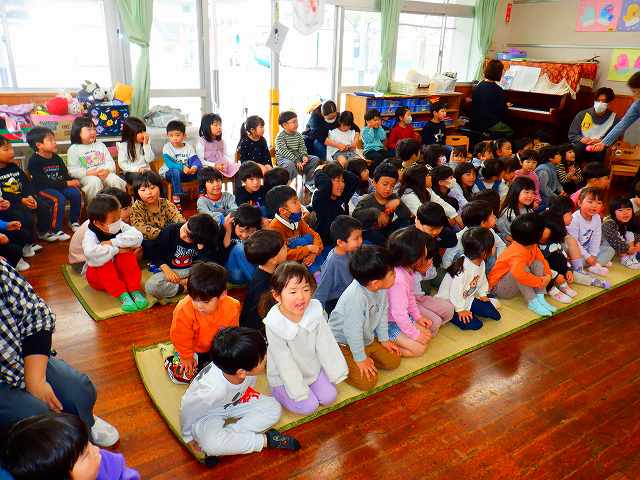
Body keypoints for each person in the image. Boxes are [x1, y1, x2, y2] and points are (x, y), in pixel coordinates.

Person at [0, 261, 119, 446]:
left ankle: (84, 424)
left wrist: (36, 380)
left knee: (78, 390)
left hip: (20, 359)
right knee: (37, 418)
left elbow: (36, 314)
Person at [180, 327, 300, 461]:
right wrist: (188, 436)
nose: (267, 357)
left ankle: (232, 438)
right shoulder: (211, 390)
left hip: (236, 400)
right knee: (211, 445)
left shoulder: (240, 365)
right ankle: (266, 440)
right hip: (209, 413)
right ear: (242, 372)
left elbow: (247, 388)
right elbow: (188, 408)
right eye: (263, 359)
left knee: (274, 408)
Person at [263, 262, 348, 414]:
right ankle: (277, 391)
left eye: (306, 289)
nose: (301, 297)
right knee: (309, 406)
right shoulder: (274, 323)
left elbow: (326, 343)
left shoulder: (314, 310)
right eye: (293, 292)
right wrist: (298, 390)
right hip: (284, 376)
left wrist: (337, 371)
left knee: (329, 397)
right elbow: (284, 362)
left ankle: (310, 385)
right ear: (277, 295)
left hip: (311, 368)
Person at [328, 245, 401, 391]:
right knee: (367, 382)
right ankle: (337, 361)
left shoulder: (381, 288)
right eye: (392, 273)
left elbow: (382, 313)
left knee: (394, 360)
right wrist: (360, 359)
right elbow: (352, 332)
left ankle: (363, 356)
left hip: (365, 338)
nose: (396, 275)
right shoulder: (355, 298)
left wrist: (384, 339)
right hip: (343, 343)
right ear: (375, 283)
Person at [1, 413, 139, 480]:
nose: (97, 449)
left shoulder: (102, 461)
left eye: (88, 444)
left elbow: (124, 474)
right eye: (85, 454)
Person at [166, 262, 241, 384]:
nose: (199, 306)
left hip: (217, 349)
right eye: (194, 299)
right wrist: (186, 356)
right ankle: (171, 361)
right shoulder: (183, 309)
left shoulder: (232, 306)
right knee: (184, 374)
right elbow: (180, 336)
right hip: (192, 349)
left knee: (231, 370)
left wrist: (227, 354)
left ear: (222, 294)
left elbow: (231, 334)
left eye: (205, 302)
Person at [82, 194, 147, 313]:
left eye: (119, 217)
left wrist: (112, 243)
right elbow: (92, 254)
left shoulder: (119, 224)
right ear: (98, 223)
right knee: (103, 260)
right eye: (114, 220)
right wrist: (118, 249)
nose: (119, 221)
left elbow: (138, 237)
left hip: (119, 273)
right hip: (98, 279)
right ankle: (122, 294)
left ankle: (134, 289)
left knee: (126, 255)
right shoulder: (90, 234)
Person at [488, 213, 558, 316]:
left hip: (514, 281)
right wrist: (540, 281)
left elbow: (542, 261)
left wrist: (548, 275)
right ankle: (532, 302)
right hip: (499, 288)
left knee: (537, 263)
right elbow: (520, 275)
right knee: (521, 272)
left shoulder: (531, 245)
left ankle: (540, 297)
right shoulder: (517, 253)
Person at [437, 227, 501, 330]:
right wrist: (460, 310)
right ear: (484, 252)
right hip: (451, 302)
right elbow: (455, 292)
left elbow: (482, 280)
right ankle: (451, 315)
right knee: (476, 325)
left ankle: (469, 310)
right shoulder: (462, 268)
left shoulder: (481, 262)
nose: (494, 248)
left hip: (466, 298)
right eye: (492, 246)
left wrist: (483, 295)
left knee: (495, 315)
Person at [26, 126, 81, 242]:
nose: (54, 142)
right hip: (42, 189)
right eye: (50, 140)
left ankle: (74, 221)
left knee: (75, 193)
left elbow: (64, 174)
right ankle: (56, 229)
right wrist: (66, 183)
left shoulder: (56, 158)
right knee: (58, 199)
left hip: (58, 186)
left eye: (54, 139)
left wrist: (73, 181)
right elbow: (43, 182)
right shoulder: (34, 161)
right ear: (39, 145)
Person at [385, 227, 434, 357]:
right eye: (424, 247)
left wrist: (418, 317)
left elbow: (410, 296)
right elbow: (398, 314)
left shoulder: (407, 270)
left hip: (399, 318)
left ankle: (401, 341)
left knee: (428, 334)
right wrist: (415, 335)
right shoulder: (398, 279)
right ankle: (385, 345)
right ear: (415, 256)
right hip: (388, 324)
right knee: (419, 349)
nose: (426, 249)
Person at [145, 214, 219, 299]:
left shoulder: (204, 240)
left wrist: (201, 249)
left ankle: (190, 284)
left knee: (215, 276)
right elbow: (155, 252)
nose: (183, 235)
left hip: (193, 270)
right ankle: (185, 288)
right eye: (185, 229)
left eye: (189, 237)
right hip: (172, 269)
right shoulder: (171, 230)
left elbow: (210, 262)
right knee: (152, 285)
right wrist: (166, 269)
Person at [0, 137, 46, 266]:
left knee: (42, 206)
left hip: (22, 198)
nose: (11, 152)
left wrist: (30, 196)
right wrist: (21, 200)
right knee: (23, 215)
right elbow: (3, 194)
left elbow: (26, 184)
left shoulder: (14, 167)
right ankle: (23, 246)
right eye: (6, 149)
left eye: (11, 148)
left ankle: (34, 239)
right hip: (9, 203)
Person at [69, 188, 132, 274]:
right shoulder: (97, 226)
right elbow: (101, 251)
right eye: (124, 208)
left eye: (130, 206)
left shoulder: (109, 221)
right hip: (82, 263)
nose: (130, 211)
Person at [129, 171, 185, 268]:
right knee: (148, 245)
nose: (149, 192)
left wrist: (182, 227)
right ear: (137, 192)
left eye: (152, 188)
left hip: (167, 236)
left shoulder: (165, 202)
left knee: (180, 231)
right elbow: (140, 227)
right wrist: (163, 234)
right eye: (143, 190)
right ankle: (161, 263)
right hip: (151, 239)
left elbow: (176, 216)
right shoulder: (136, 207)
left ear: (159, 187)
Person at [67, 116, 126, 204]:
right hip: (86, 177)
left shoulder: (100, 145)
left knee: (115, 180)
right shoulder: (74, 149)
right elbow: (72, 171)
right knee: (94, 182)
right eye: (89, 129)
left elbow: (110, 162)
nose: (93, 132)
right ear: (78, 132)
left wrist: (107, 170)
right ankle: (95, 208)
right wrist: (88, 173)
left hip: (104, 174)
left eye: (94, 129)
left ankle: (120, 206)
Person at [314, 215, 363, 315]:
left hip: (349, 293)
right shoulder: (333, 262)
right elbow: (322, 289)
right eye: (356, 238)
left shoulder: (351, 250)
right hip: (336, 301)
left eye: (361, 236)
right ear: (340, 242)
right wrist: (317, 314)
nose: (361, 241)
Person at [239, 230, 287, 330]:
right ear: (273, 259)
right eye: (283, 247)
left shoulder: (265, 270)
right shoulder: (263, 288)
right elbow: (262, 320)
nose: (286, 247)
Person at [266, 185, 323, 269]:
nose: (300, 205)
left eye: (298, 200)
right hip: (288, 268)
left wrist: (313, 253)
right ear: (283, 211)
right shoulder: (274, 229)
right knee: (304, 240)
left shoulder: (297, 220)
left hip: (305, 259)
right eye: (295, 202)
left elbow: (315, 235)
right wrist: (307, 249)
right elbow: (284, 255)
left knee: (308, 238)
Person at [442, 200, 506, 273]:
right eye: (492, 215)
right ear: (483, 223)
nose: (495, 216)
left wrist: (499, 263)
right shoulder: (459, 239)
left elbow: (501, 245)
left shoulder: (489, 230)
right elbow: (447, 261)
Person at [352, 162, 412, 236]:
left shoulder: (393, 197)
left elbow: (406, 216)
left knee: (404, 223)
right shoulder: (367, 200)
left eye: (392, 186)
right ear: (374, 182)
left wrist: (398, 203)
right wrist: (375, 212)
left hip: (388, 231)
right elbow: (355, 216)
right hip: (370, 235)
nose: (388, 189)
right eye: (385, 184)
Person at [567, 187, 615, 276]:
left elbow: (596, 237)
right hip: (577, 253)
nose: (594, 205)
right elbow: (575, 242)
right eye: (590, 202)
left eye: (599, 203)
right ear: (580, 203)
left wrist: (593, 254)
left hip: (589, 252)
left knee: (610, 250)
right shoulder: (574, 219)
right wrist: (588, 257)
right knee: (572, 260)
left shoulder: (597, 217)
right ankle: (598, 263)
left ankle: (595, 265)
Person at [311, 161, 359, 246]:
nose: (341, 185)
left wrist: (337, 169)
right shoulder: (321, 200)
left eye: (342, 181)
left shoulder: (342, 197)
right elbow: (326, 184)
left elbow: (353, 179)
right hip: (327, 245)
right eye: (337, 181)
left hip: (345, 240)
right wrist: (319, 171)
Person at [160, 119, 202, 208]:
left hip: (185, 173)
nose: (174, 138)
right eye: (171, 136)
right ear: (167, 136)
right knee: (175, 171)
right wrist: (182, 167)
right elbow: (170, 164)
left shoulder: (188, 147)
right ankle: (176, 198)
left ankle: (202, 195)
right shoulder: (167, 147)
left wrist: (194, 167)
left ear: (184, 135)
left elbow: (195, 160)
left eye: (177, 135)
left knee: (201, 170)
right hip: (170, 174)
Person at [275, 111, 321, 188]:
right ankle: (295, 186)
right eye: (294, 122)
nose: (296, 124)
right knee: (290, 164)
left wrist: (304, 156)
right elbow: (283, 151)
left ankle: (309, 183)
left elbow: (302, 148)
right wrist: (296, 160)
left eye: (297, 121)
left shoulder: (298, 135)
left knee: (315, 159)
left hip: (298, 159)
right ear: (285, 125)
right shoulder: (280, 136)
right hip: (284, 160)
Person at [222, 204, 262, 285]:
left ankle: (257, 281)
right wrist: (228, 230)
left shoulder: (258, 228)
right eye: (241, 231)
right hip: (235, 273)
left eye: (251, 232)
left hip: (252, 267)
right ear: (234, 223)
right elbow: (226, 246)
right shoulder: (228, 226)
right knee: (240, 248)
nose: (244, 235)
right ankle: (257, 284)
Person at [471, 59, 513, 137]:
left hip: (475, 122)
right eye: (502, 71)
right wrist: (506, 105)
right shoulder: (498, 90)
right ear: (498, 73)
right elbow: (502, 111)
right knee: (510, 131)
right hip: (489, 124)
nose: (503, 73)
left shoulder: (479, 86)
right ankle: (495, 144)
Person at [601, 197, 640, 269]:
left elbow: (635, 234)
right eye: (620, 210)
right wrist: (629, 249)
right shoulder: (608, 223)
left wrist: (638, 242)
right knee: (620, 239)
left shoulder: (626, 221)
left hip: (619, 249)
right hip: (604, 248)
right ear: (613, 212)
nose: (625, 213)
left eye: (628, 209)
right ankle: (624, 258)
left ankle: (631, 257)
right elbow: (615, 241)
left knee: (630, 233)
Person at [197, 113, 239, 178]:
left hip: (224, 166)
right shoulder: (201, 142)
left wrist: (231, 163)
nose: (219, 127)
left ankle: (240, 185)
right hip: (210, 168)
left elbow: (225, 155)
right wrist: (215, 165)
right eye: (215, 125)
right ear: (206, 127)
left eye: (220, 125)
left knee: (240, 170)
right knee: (213, 174)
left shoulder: (221, 141)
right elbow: (200, 161)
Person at [497, 176, 536, 243]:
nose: (530, 196)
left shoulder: (530, 210)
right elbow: (505, 235)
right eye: (527, 192)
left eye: (533, 193)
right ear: (516, 191)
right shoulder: (507, 213)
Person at [117, 116, 154, 185]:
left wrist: (146, 145)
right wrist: (138, 169)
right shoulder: (123, 146)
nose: (143, 134)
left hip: (146, 171)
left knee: (155, 179)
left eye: (144, 131)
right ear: (130, 133)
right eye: (140, 132)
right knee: (140, 179)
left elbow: (150, 159)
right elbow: (122, 164)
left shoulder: (145, 143)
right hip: (131, 172)